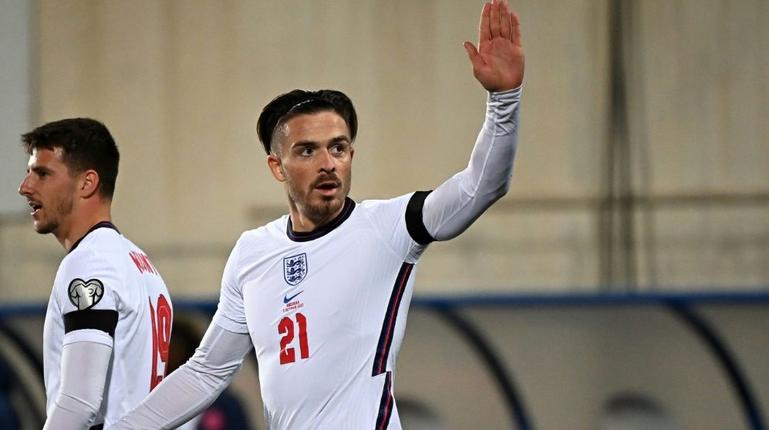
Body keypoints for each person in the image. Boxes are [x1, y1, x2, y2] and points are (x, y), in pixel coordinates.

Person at [112, 0, 523, 428]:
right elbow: (205, 373)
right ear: (277, 167)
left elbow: (482, 185)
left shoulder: (388, 227)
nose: (328, 162)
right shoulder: (252, 252)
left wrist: (504, 99)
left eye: (338, 147)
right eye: (307, 150)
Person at [18, 118, 173, 429]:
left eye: (43, 174)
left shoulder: (90, 262)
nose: (25, 187)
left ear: (87, 183)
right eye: (28, 173)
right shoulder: (140, 263)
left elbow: (79, 403)